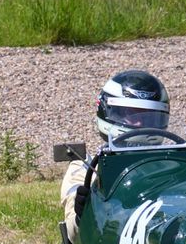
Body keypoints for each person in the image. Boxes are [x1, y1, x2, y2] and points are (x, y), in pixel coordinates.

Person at [61, 71, 172, 226]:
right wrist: (81, 214)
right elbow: (72, 230)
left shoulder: (170, 165)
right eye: (131, 115)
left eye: (148, 117)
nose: (140, 124)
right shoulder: (84, 170)